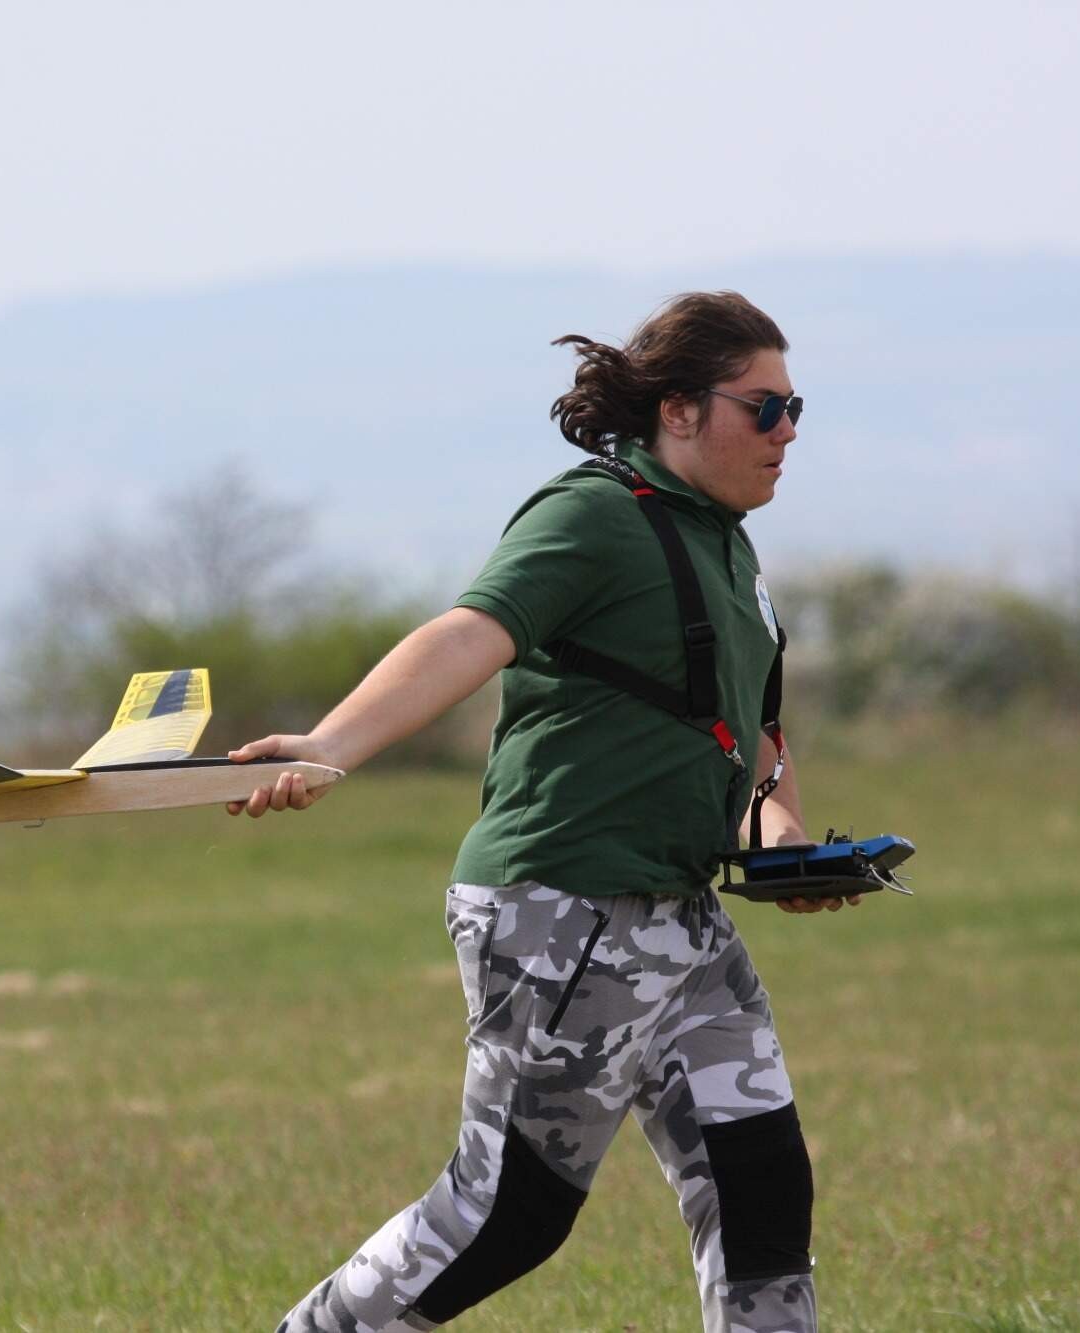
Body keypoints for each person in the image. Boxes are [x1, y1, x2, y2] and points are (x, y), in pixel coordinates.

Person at [228, 292, 853, 1333]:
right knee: (505, 1214)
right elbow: (472, 631)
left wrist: (778, 835)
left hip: (682, 919)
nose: (786, 431)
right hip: (565, 910)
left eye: (796, 407)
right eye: (763, 407)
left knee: (760, 1193)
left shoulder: (724, 544)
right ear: (677, 409)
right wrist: (330, 744)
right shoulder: (595, 514)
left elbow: (745, 730)